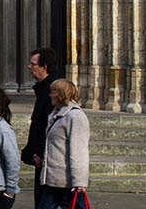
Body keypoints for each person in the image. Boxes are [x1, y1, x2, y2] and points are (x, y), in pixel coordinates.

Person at [38, 79, 90, 209]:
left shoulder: (75, 117)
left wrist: (79, 181)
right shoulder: (57, 114)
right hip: (53, 180)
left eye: (53, 92)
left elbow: (79, 151)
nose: (50, 95)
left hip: (68, 182)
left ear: (61, 94)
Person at [21, 47, 59, 208]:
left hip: (48, 160)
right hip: (42, 157)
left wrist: (41, 153)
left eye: (33, 64)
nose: (29, 67)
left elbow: (51, 127)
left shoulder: (53, 92)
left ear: (44, 67)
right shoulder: (44, 89)